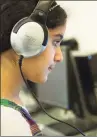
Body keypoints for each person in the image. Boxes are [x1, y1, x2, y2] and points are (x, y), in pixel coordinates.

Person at [1, 0, 67, 136]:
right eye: (55, 42)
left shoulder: (10, 105)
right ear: (24, 39)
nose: (60, 57)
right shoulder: (9, 122)